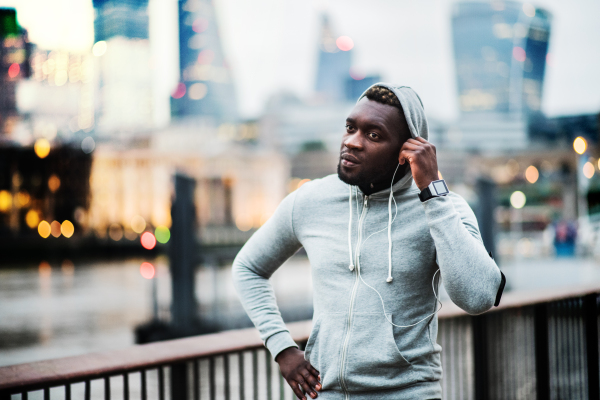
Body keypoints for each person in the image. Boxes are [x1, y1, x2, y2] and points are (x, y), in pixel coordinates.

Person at [232, 83, 506, 400]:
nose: (352, 142)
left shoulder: (443, 206)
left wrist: (432, 191)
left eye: (373, 135)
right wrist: (282, 348)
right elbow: (248, 268)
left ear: (407, 150)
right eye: (351, 128)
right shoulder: (310, 201)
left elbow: (478, 297)